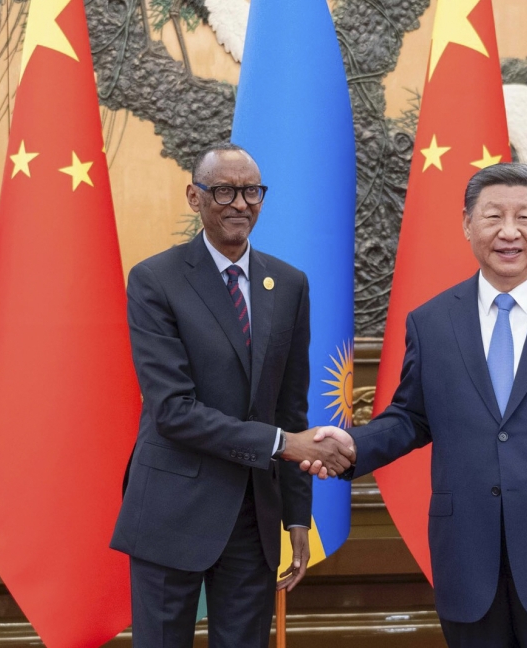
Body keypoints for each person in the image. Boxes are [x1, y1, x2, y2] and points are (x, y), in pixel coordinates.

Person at [300, 162, 527, 647]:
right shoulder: (432, 322)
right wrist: (353, 445)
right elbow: (412, 417)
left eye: (524, 217)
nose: (509, 232)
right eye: (493, 217)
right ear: (467, 225)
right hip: (469, 558)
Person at [110, 142, 354, 648]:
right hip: (171, 509)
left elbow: (291, 407)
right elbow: (174, 412)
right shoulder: (155, 280)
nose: (240, 204)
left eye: (251, 191)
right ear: (194, 197)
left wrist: (296, 516)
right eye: (224, 190)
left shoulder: (288, 284)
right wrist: (283, 444)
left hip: (253, 516)